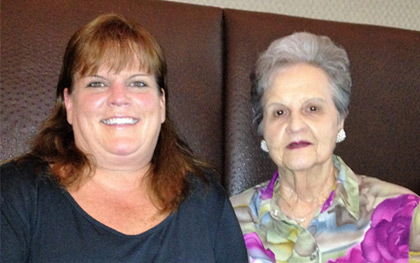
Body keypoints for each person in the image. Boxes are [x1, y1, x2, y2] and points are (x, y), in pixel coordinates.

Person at [1, 14, 247, 262]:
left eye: (138, 83)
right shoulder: (15, 195)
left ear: (162, 104)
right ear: (69, 104)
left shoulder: (206, 200)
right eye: (97, 83)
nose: (119, 97)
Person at [230, 32, 420, 262]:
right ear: (263, 129)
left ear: (339, 119)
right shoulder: (229, 219)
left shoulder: (405, 213)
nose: (295, 125)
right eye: (279, 112)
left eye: (312, 109)